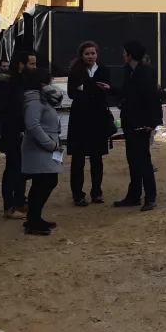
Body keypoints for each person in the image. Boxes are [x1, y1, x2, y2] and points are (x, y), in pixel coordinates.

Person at [114, 41, 162, 211]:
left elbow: (152, 99)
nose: (123, 55)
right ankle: (134, 195)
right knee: (133, 161)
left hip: (141, 124)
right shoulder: (130, 72)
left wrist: (152, 122)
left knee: (143, 161)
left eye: (124, 52)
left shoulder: (145, 73)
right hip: (131, 122)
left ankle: (150, 197)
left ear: (130, 55)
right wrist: (112, 90)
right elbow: (128, 93)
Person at [66, 41, 112, 207]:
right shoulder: (75, 71)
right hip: (80, 119)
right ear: (82, 55)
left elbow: (105, 91)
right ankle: (77, 194)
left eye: (93, 53)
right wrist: (90, 88)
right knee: (78, 159)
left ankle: (97, 192)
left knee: (97, 158)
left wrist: (86, 88)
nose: (90, 56)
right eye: (87, 54)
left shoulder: (104, 70)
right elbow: (72, 93)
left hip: (98, 119)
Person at [20, 68, 63, 236]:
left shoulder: (42, 98)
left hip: (45, 146)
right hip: (39, 148)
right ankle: (33, 220)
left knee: (46, 181)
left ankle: (34, 218)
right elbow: (33, 125)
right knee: (44, 182)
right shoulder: (34, 100)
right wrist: (49, 144)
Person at [0, 51, 34, 219]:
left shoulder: (24, 82)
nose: (34, 67)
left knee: (22, 169)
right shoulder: (7, 84)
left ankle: (20, 201)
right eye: (31, 64)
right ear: (21, 64)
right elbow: (5, 111)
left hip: (23, 132)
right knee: (12, 168)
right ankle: (9, 206)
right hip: (12, 133)